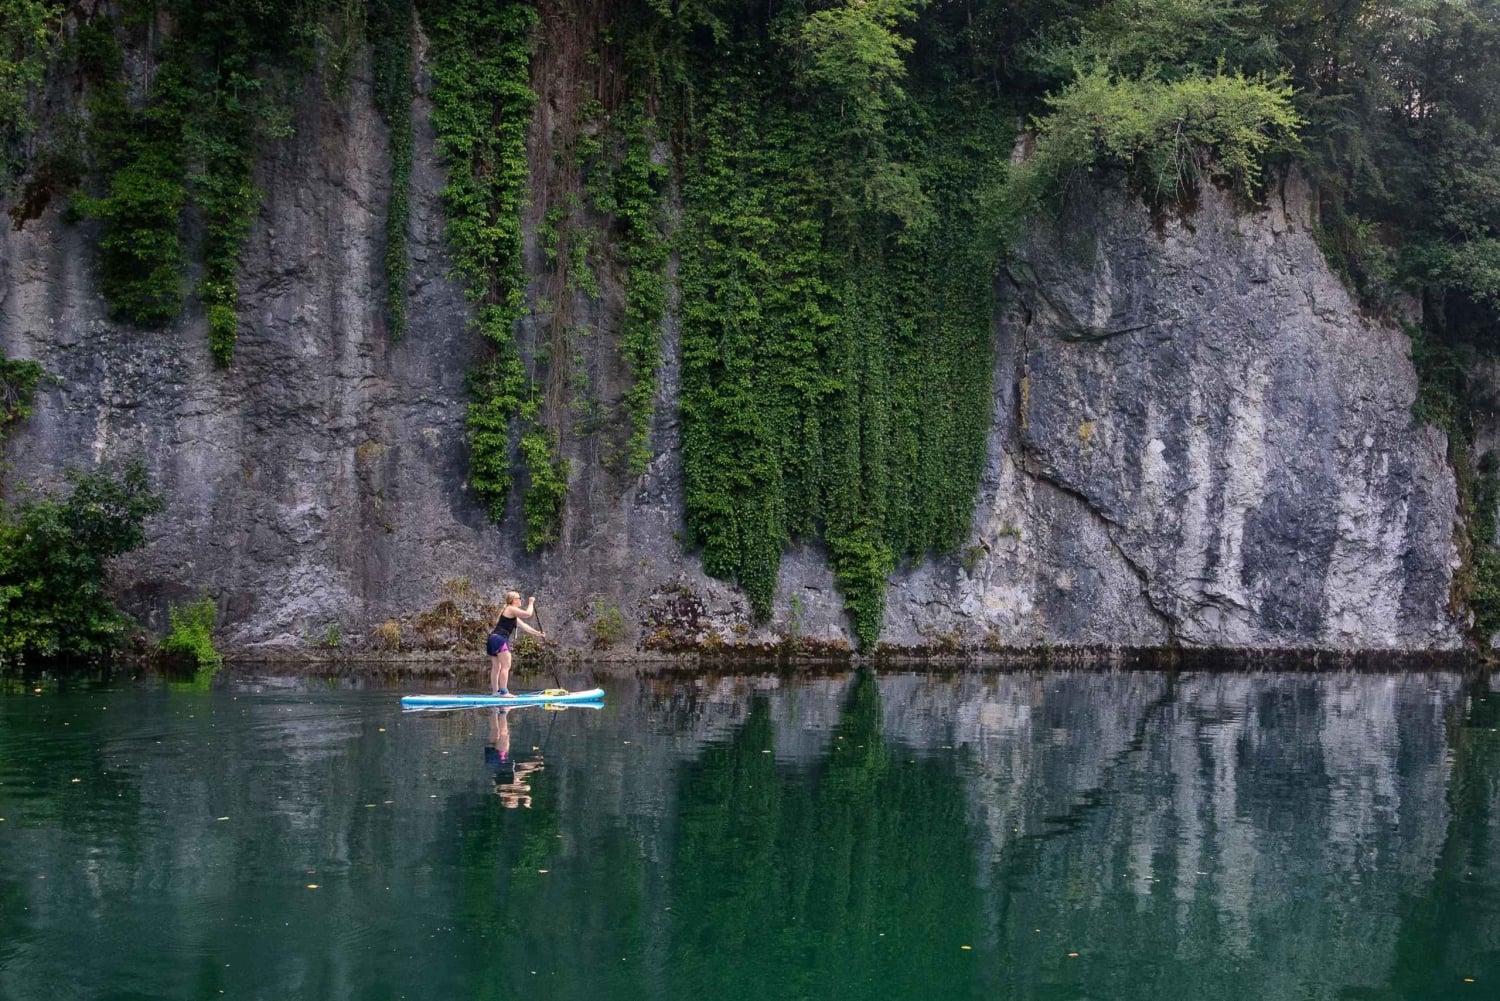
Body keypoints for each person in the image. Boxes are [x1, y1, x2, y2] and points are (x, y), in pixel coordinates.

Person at [487, 591, 546, 696]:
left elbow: (524, 626)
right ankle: (504, 692)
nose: (520, 600)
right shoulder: (510, 609)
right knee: (506, 666)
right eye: (519, 598)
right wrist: (531, 603)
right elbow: (528, 614)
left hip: (492, 638)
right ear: (514, 600)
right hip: (500, 639)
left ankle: (495, 692)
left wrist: (538, 633)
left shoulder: (511, 613)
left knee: (497, 667)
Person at [485, 708, 544, 809]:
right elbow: (520, 772)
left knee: (504, 734)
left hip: (501, 759)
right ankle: (494, 710)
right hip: (491, 761)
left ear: (512, 798)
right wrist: (535, 765)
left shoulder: (511, 785)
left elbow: (522, 771)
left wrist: (535, 765)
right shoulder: (498, 788)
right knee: (494, 730)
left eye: (515, 800)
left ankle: (503, 710)